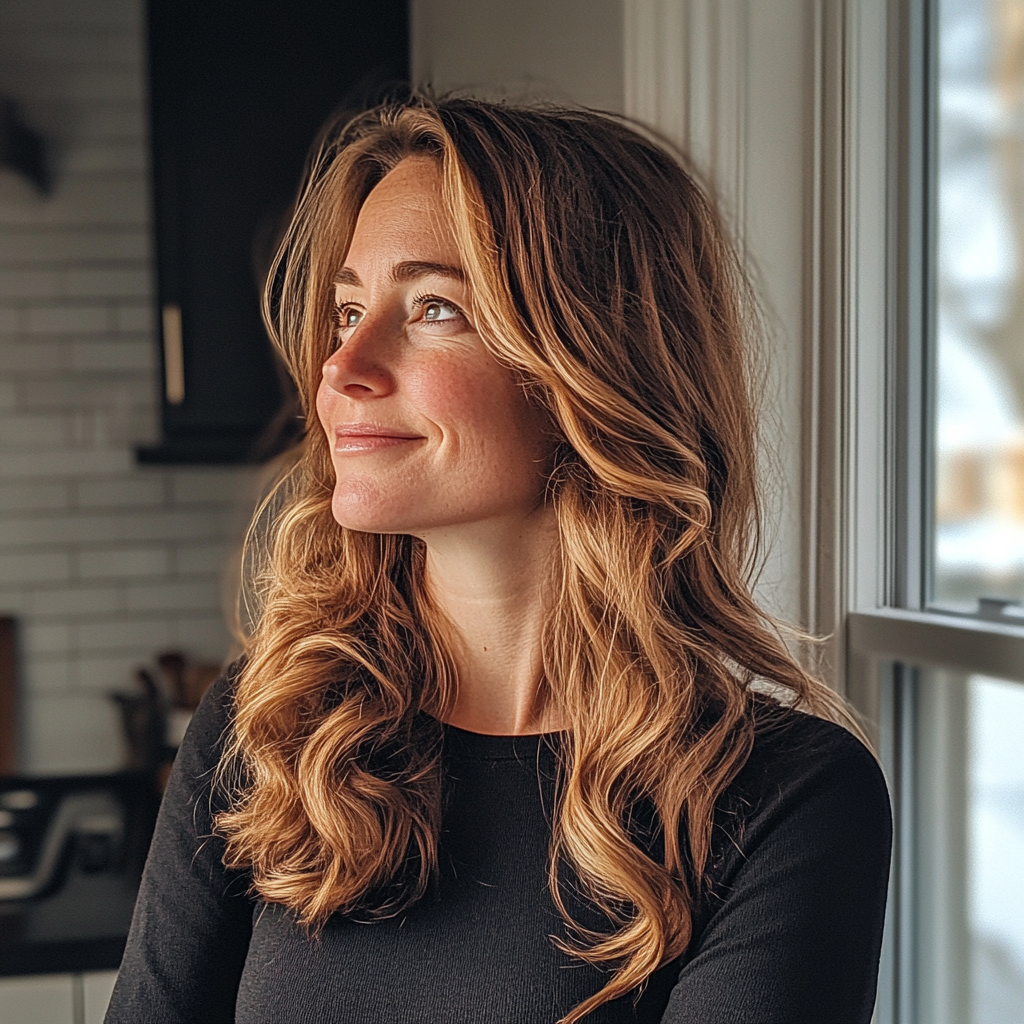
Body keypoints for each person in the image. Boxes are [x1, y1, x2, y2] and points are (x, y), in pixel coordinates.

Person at [104, 95, 892, 1024]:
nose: (341, 365)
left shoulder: (780, 797)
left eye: (434, 307)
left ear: (593, 364)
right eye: (347, 308)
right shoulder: (267, 730)